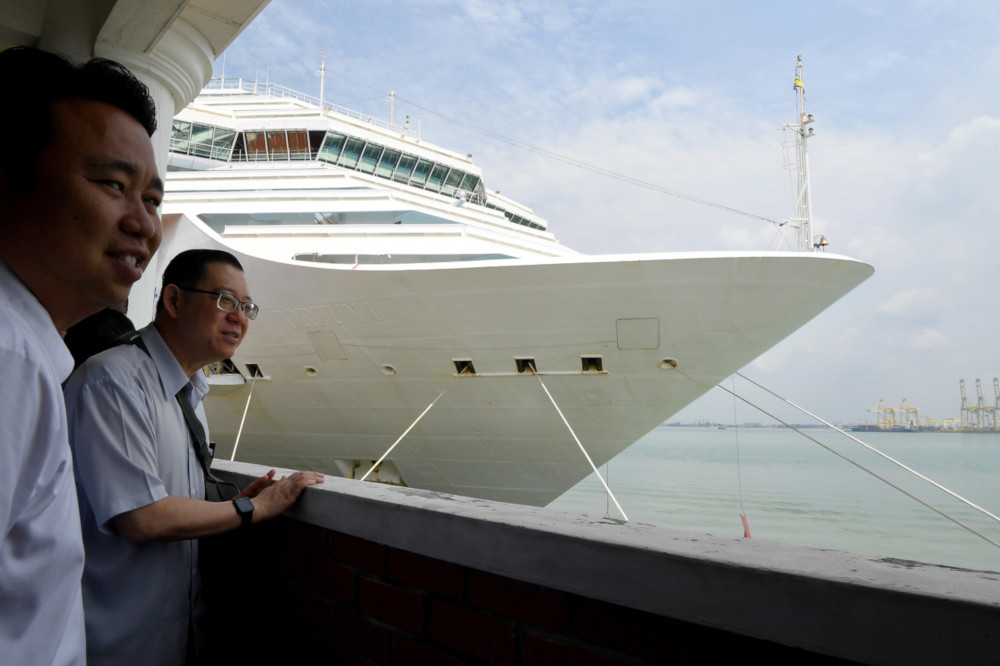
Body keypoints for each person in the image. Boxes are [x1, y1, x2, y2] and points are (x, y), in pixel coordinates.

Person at [64, 248, 325, 665]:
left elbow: (163, 498)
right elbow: (142, 517)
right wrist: (249, 508)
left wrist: (225, 506)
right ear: (174, 300)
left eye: (246, 307)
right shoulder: (114, 383)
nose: (239, 317)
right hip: (114, 642)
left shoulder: (190, 392)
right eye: (225, 300)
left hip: (178, 637)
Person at [0, 46, 162, 665]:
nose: (144, 224)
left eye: (151, 198)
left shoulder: (32, 350)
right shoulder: (10, 355)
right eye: (113, 185)